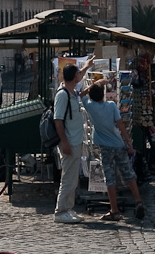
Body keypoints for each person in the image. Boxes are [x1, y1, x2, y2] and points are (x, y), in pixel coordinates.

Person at [83, 83, 145, 221]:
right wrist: (128, 142)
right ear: (103, 94)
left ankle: (114, 210)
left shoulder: (90, 106)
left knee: (109, 178)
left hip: (104, 147)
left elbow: (80, 95)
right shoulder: (111, 106)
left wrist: (89, 87)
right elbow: (121, 124)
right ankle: (138, 201)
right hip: (118, 144)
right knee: (128, 173)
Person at [53, 58, 94, 224]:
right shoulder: (62, 95)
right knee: (68, 178)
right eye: (78, 73)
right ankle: (60, 210)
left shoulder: (72, 91)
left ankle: (68, 208)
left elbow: (79, 82)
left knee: (72, 178)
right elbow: (58, 120)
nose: (80, 76)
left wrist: (86, 67)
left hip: (76, 140)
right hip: (69, 141)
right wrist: (64, 143)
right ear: (73, 76)